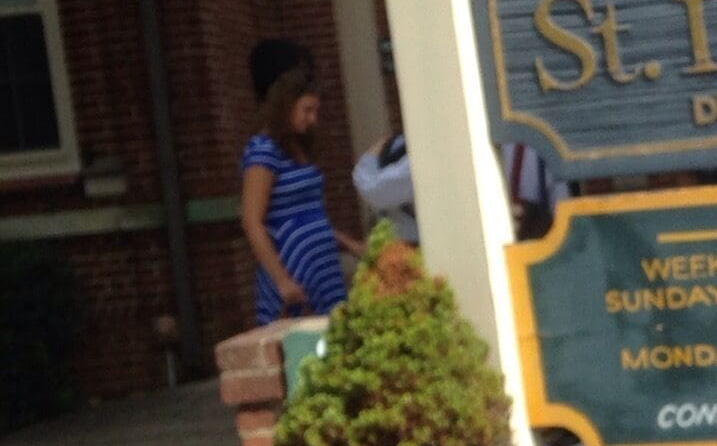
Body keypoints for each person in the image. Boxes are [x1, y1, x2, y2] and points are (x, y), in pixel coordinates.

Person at [240, 40, 360, 325]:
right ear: (286, 105)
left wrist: (349, 244)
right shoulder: (263, 151)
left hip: (322, 269)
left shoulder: (297, 148)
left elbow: (307, 215)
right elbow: (251, 221)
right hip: (292, 273)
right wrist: (281, 279)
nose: (313, 119)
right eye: (307, 110)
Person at [349, 129, 569, 244]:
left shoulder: (443, 145)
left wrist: (375, 150)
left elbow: (373, 189)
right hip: (534, 263)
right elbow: (564, 216)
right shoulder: (540, 144)